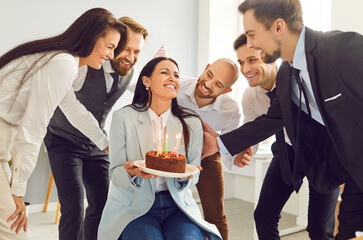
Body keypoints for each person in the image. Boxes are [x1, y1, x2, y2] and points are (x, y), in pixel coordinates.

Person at [202, 0, 363, 239]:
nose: (251, 45)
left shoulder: (342, 48)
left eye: (252, 35)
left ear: (278, 27)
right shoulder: (287, 74)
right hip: (311, 160)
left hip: (352, 164)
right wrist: (218, 144)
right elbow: (271, 120)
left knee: (332, 231)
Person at [0, 8, 127, 240]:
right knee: (13, 231)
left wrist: (106, 145)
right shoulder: (63, 63)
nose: (111, 55)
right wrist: (18, 192)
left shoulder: (61, 59)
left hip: (4, 136)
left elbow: (75, 111)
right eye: (110, 46)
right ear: (92, 36)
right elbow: (33, 129)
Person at [43, 16, 147, 240]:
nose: (130, 57)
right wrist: (109, 145)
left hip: (95, 143)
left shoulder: (130, 73)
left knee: (102, 204)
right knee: (73, 207)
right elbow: (75, 112)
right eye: (125, 49)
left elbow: (155, 85)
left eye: (137, 52)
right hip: (63, 140)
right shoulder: (80, 66)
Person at [98, 57, 222, 240]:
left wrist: (184, 175)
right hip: (134, 205)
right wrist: (132, 173)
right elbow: (115, 173)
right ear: (146, 80)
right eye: (165, 72)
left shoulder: (191, 123)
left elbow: (194, 172)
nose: (173, 78)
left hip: (177, 206)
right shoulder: (123, 118)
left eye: (176, 75)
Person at [234, 33, 339, 239]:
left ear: (271, 57)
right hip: (287, 151)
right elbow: (252, 130)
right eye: (241, 62)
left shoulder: (301, 82)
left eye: (252, 60)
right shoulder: (250, 96)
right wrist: (245, 150)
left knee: (320, 229)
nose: (246, 69)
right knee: (263, 216)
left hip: (323, 154)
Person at [176, 58, 241, 240]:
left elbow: (228, 152)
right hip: (174, 153)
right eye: (209, 75)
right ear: (205, 68)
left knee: (215, 214)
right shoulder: (176, 85)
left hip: (208, 156)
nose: (207, 84)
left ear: (226, 91)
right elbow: (140, 85)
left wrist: (236, 159)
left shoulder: (231, 110)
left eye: (218, 84)